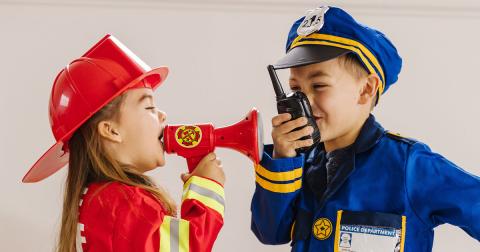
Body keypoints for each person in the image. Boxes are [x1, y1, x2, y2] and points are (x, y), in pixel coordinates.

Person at [250, 6, 480, 251]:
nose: (303, 101)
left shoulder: (409, 166)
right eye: (296, 89)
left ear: (366, 90)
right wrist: (282, 159)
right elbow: (270, 231)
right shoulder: (299, 163)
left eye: (318, 85)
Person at [22, 34, 226, 252]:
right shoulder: (125, 204)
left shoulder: (97, 200)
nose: (163, 115)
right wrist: (206, 187)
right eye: (149, 107)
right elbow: (189, 247)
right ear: (111, 130)